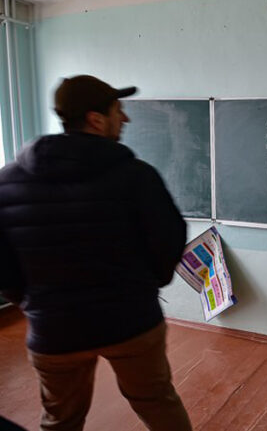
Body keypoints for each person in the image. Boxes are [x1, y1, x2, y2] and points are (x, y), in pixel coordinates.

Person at [0, 75, 192, 431]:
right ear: (95, 119)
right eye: (119, 110)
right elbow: (169, 237)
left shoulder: (7, 181)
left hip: (54, 330)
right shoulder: (137, 176)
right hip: (131, 322)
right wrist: (147, 285)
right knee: (159, 406)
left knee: (60, 421)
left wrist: (29, 301)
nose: (127, 119)